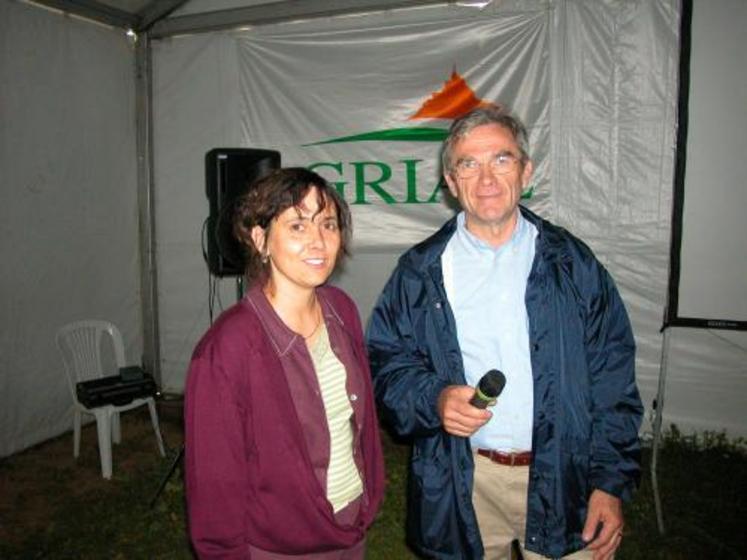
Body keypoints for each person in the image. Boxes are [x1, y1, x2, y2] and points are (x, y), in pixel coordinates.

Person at [366, 105, 642, 560]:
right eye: (468, 165)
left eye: (501, 159)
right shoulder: (420, 272)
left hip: (563, 475)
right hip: (463, 479)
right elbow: (387, 366)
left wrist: (608, 483)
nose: (487, 179)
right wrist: (435, 398)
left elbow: (612, 377)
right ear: (452, 184)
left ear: (526, 171)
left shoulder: (572, 264)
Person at [185, 167, 385, 559]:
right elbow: (215, 484)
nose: (319, 241)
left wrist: (370, 494)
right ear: (261, 239)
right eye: (297, 226)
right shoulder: (228, 348)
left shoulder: (340, 310)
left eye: (328, 224)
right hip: (281, 546)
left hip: (350, 527)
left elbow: (358, 425)